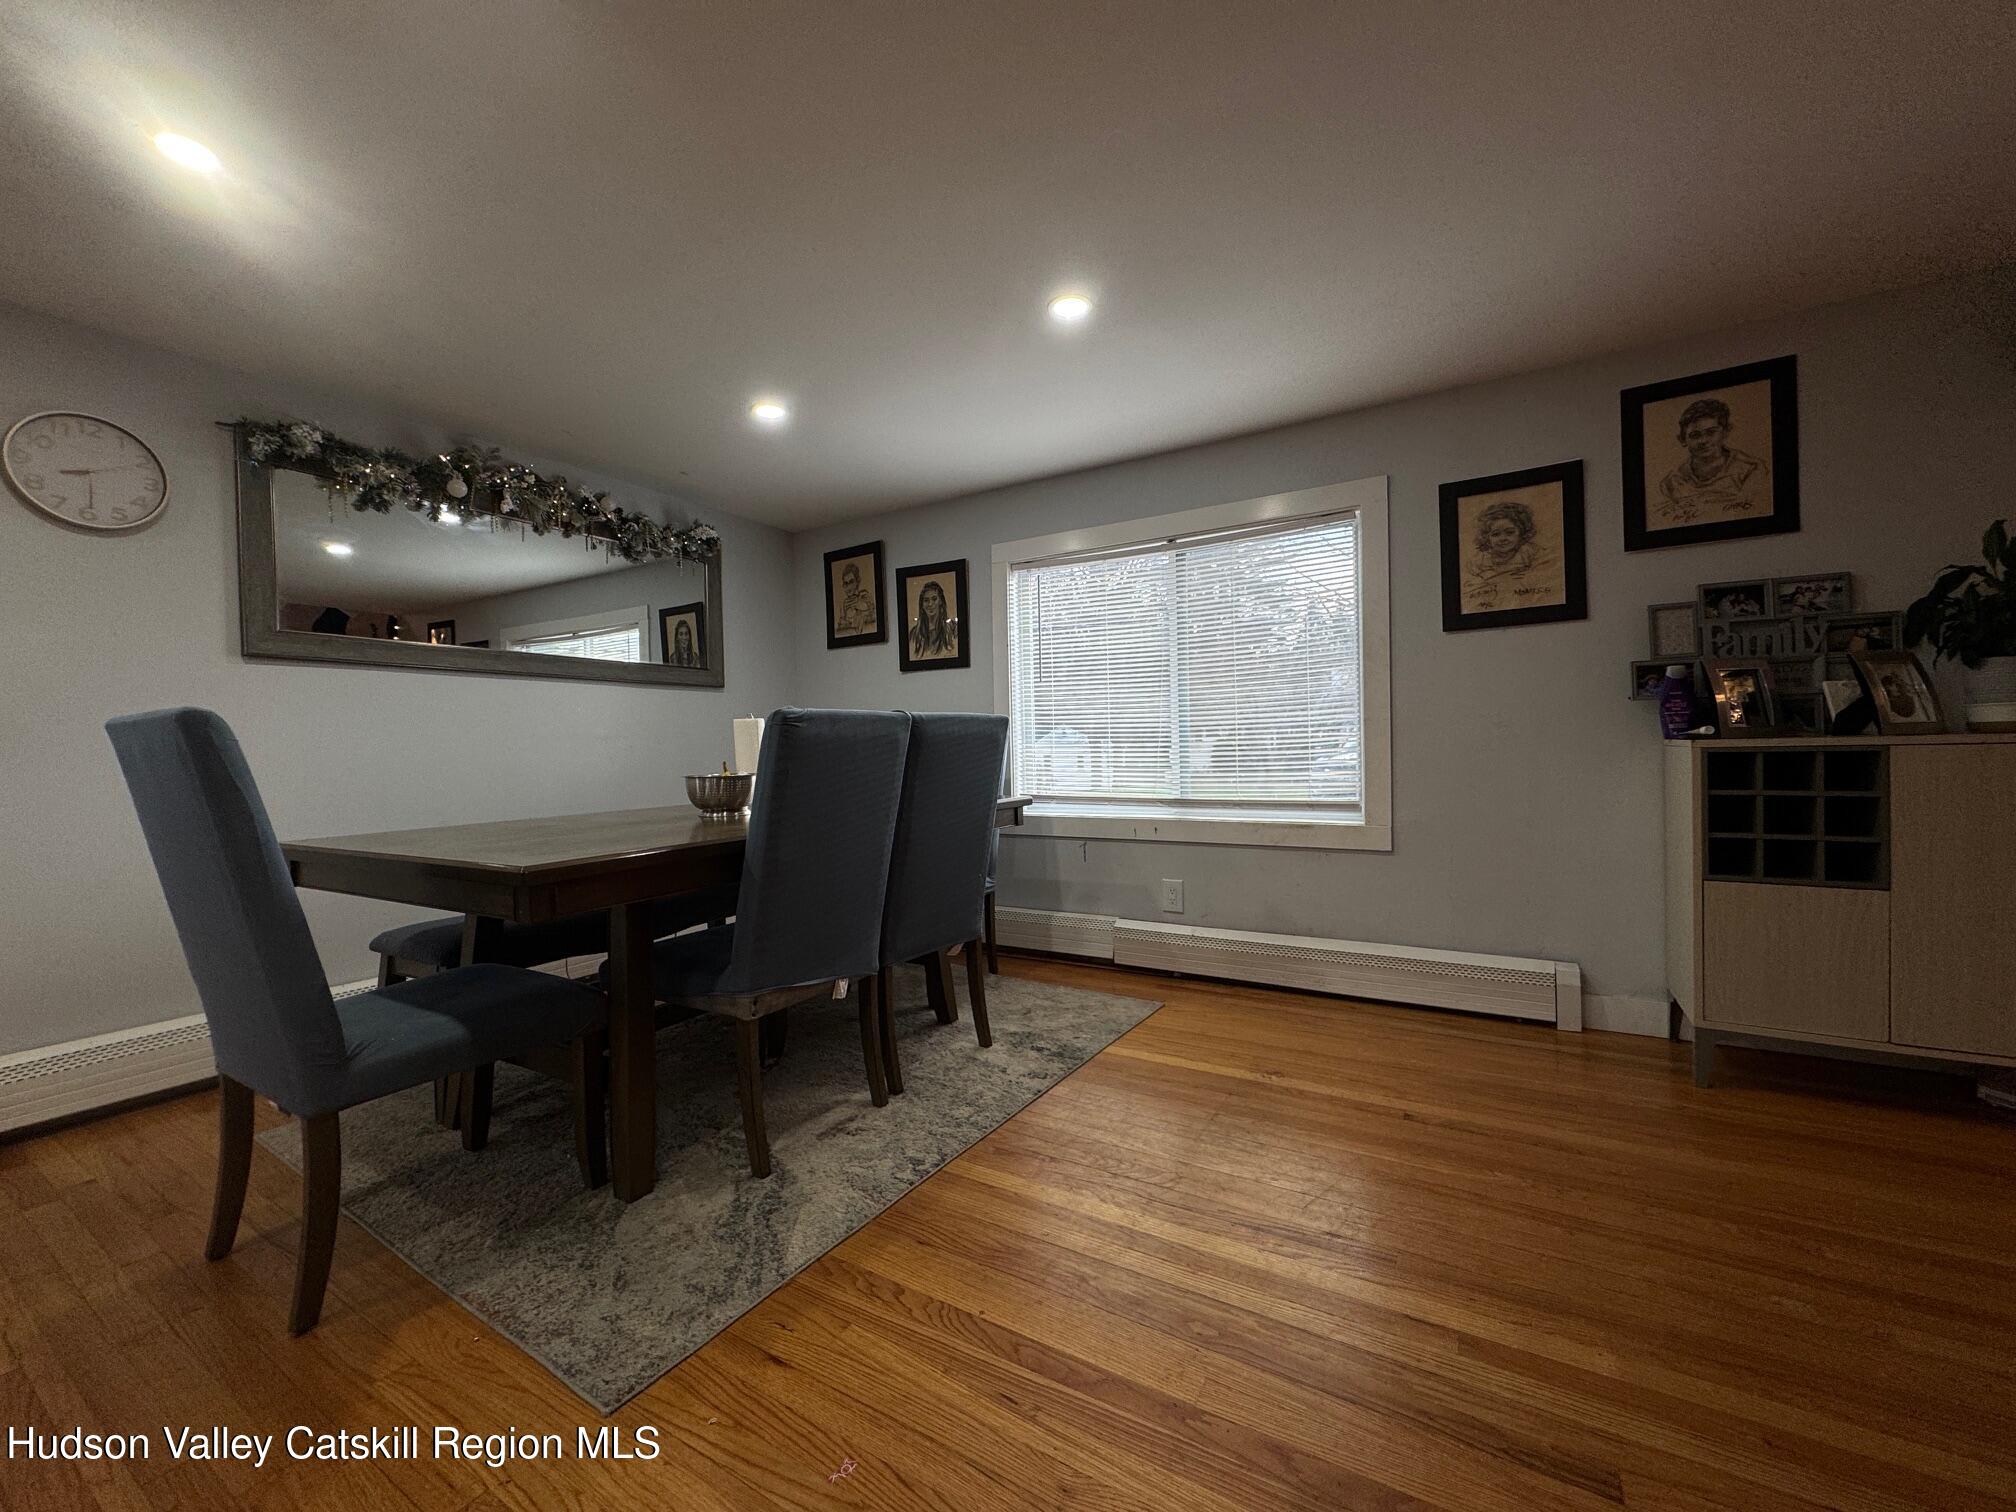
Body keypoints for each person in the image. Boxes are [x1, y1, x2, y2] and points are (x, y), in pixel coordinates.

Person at [1657, 397, 1770, 522]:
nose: (1703, 441)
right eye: (1695, 435)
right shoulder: (1671, 483)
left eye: (1711, 432)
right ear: (1682, 440)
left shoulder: (1751, 470)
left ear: (1726, 432)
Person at [1463, 499, 1556, 610]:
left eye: (1510, 532)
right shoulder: (1480, 560)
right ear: (1487, 538)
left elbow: (1542, 578)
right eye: (1496, 534)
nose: (1503, 539)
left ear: (1521, 532)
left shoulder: (1530, 552)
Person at [910, 579, 957, 659]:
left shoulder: (953, 628)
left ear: (940, 601)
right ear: (922, 605)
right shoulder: (915, 633)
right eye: (926, 600)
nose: (930, 604)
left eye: (934, 599)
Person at [833, 561, 877, 636]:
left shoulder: (864, 596)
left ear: (857, 581)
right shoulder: (845, 603)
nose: (848, 587)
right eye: (846, 583)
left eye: (851, 582)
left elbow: (871, 614)